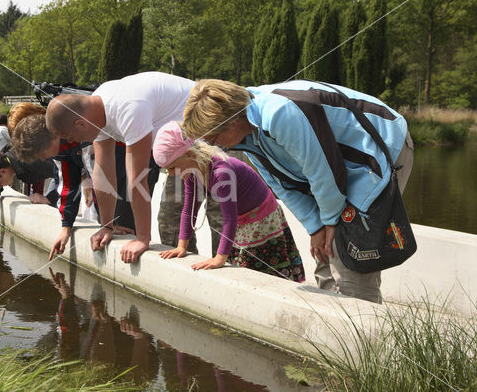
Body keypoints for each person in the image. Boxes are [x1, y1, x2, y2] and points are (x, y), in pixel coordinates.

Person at [182, 79, 414, 303]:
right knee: (325, 252)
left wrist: (330, 222)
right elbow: (281, 184)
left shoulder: (281, 114)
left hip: (376, 152)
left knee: (352, 255)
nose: (214, 146)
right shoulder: (246, 132)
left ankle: (362, 323)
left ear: (231, 124)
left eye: (212, 138)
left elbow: (324, 174)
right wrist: (315, 226)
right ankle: (332, 318)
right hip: (336, 170)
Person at [46, 71, 214, 264]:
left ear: (80, 123)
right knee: (171, 221)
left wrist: (142, 238)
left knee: (224, 214)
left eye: (71, 138)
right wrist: (107, 225)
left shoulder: (128, 108)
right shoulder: (97, 108)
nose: (73, 143)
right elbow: (103, 171)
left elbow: (137, 178)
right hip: (183, 150)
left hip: (214, 138)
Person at [153, 121, 305, 281]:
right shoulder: (192, 173)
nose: (169, 174)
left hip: (261, 216)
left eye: (172, 167)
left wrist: (219, 258)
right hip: (242, 218)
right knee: (242, 264)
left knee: (264, 268)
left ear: (190, 155)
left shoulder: (221, 173)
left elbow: (229, 219)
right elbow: (189, 209)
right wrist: (181, 246)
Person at [10, 114, 133, 259]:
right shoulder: (60, 150)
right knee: (111, 223)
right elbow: (68, 185)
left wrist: (107, 224)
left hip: (133, 169)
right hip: (113, 176)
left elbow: (101, 182)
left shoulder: (82, 137)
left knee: (124, 225)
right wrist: (66, 226)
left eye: (42, 154)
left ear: (52, 138)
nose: (43, 159)